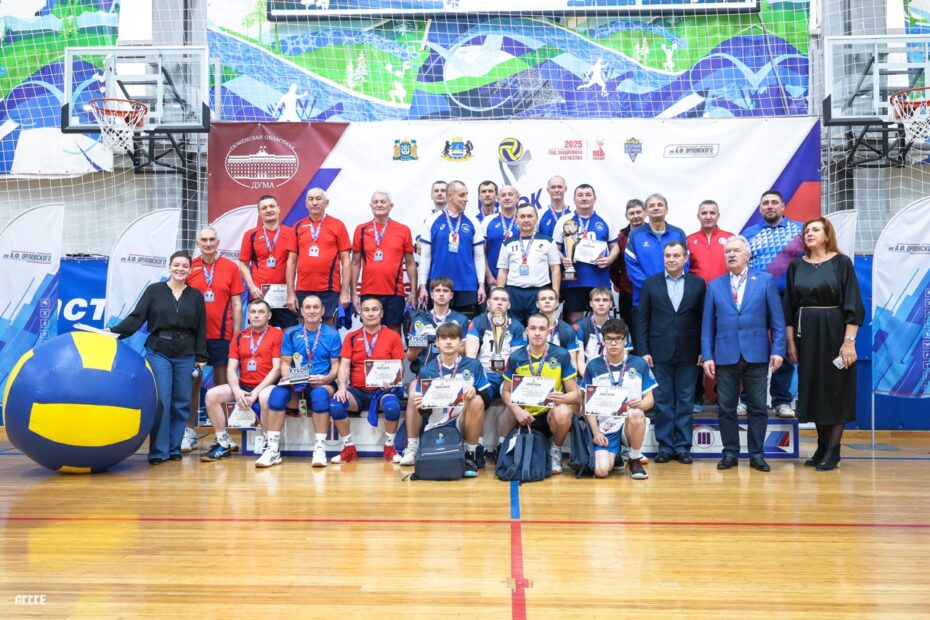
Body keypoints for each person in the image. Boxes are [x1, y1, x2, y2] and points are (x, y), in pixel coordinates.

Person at [109, 251, 207, 464]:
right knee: (162, 400)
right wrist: (114, 331)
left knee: (182, 402)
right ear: (169, 267)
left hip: (186, 353)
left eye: (185, 266)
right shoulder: (154, 291)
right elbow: (137, 317)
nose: (180, 269)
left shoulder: (196, 296)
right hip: (159, 351)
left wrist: (201, 356)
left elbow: (201, 327)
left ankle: (174, 448)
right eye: (176, 265)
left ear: (190, 270)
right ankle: (158, 451)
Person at [783, 217, 864, 471]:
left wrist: (848, 343)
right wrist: (790, 343)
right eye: (807, 230)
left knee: (835, 389)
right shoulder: (796, 265)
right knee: (814, 390)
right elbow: (789, 307)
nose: (809, 233)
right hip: (806, 336)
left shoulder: (842, 263)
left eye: (815, 229)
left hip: (835, 333)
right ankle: (821, 446)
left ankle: (833, 450)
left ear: (827, 235)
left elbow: (853, 304)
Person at [702, 236, 786, 472]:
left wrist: (778, 350)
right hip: (725, 354)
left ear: (748, 255)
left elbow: (778, 322)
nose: (731, 254)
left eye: (736, 250)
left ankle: (757, 455)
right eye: (727, 251)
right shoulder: (715, 285)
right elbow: (707, 326)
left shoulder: (765, 281)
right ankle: (730, 453)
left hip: (757, 354)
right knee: (726, 407)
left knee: (758, 407)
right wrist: (707, 355)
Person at [635, 241, 705, 464]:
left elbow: (703, 320)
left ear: (685, 258)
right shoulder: (650, 283)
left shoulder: (698, 284)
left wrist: (704, 350)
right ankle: (665, 447)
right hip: (658, 351)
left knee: (685, 401)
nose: (671, 259)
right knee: (663, 401)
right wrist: (643, 351)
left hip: (690, 351)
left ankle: (683, 447)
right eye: (667, 255)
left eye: (676, 255)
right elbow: (642, 319)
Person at [255, 295, 342, 468]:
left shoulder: (332, 333)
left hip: (322, 383)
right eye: (307, 307)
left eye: (316, 307)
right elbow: (285, 364)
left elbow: (335, 366)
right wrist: (290, 379)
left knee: (319, 395)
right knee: (277, 395)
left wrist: (326, 379)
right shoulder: (291, 333)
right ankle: (272, 450)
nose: (312, 311)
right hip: (297, 385)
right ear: (301, 311)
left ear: (323, 311)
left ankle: (319, 449)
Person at [742, 189, 805, 418]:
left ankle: (781, 400)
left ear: (783, 206)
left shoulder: (800, 230)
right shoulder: (749, 234)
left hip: (789, 297)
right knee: (753, 347)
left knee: (785, 347)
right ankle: (747, 399)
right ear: (760, 209)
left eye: (774, 202)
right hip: (756, 296)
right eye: (765, 203)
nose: (769, 206)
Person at [399, 322, 492, 474]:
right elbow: (425, 413)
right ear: (437, 342)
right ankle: (413, 447)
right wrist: (422, 406)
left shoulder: (474, 365)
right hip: (437, 424)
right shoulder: (427, 370)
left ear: (460, 342)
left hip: (463, 422)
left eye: (453, 338)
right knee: (414, 396)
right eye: (443, 338)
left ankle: (470, 455)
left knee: (477, 400)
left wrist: (475, 390)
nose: (448, 342)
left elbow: (487, 398)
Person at [183, 226, 243, 453]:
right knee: (193, 383)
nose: (208, 243)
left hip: (222, 335)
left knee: (222, 386)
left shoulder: (230, 267)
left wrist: (236, 336)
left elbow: (237, 304)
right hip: (194, 337)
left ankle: (222, 435)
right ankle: (188, 432)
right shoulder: (190, 267)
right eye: (204, 240)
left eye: (212, 240)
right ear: (197, 243)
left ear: (218, 242)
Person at [201, 300, 283, 462]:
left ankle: (269, 445)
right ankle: (223, 444)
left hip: (266, 386)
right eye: (253, 312)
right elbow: (231, 369)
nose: (256, 315)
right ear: (248, 315)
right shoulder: (239, 336)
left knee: (266, 396)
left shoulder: (277, 334)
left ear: (269, 315)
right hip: (244, 385)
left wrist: (256, 392)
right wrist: (237, 390)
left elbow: (276, 369)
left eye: (261, 312)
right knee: (212, 395)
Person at [500, 313, 581, 474]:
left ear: (549, 331)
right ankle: (503, 449)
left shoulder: (561, 355)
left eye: (542, 329)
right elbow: (506, 392)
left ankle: (555, 450)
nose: (537, 333)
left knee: (563, 411)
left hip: (549, 413)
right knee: (510, 408)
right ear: (526, 331)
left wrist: (562, 398)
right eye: (533, 328)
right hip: (525, 414)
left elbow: (576, 394)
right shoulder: (516, 357)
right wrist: (517, 410)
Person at [330, 298, 406, 463]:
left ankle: (389, 447)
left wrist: (392, 381)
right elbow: (344, 366)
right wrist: (341, 386)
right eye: (366, 310)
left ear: (381, 313)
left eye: (374, 309)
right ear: (361, 314)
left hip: (383, 391)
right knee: (336, 405)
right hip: (357, 391)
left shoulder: (393, 336)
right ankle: (348, 448)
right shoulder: (351, 337)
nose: (370, 313)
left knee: (392, 407)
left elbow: (400, 366)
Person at [583, 319, 654, 480]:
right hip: (606, 427)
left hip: (629, 424)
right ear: (603, 340)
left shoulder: (639, 364)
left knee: (636, 413)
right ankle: (616, 455)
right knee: (601, 471)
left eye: (618, 338)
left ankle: (634, 459)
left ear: (625, 340)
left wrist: (641, 404)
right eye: (609, 339)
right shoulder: (593, 366)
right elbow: (588, 405)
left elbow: (650, 400)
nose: (613, 343)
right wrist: (596, 432)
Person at [686, 200, 733, 412]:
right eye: (704, 213)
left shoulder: (729, 238)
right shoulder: (689, 240)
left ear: (718, 215)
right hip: (696, 300)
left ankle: (724, 395)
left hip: (724, 299)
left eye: (712, 212)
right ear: (698, 216)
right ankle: (697, 396)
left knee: (724, 346)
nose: (708, 216)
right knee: (696, 346)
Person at [349, 190, 417, 333]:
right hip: (369, 291)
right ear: (371, 206)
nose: (379, 205)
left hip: (395, 292)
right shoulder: (361, 229)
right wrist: (353, 293)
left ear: (391, 206)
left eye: (383, 202)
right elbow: (355, 264)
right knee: (370, 330)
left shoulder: (403, 230)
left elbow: (410, 263)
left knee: (394, 331)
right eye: (375, 202)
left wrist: (413, 292)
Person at [418, 180, 486, 317]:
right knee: (439, 327)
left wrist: (481, 285)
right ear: (449, 196)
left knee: (465, 327)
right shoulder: (432, 220)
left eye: (466, 195)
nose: (466, 199)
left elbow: (479, 257)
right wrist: (423, 286)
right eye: (462, 195)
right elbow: (425, 256)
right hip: (439, 286)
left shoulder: (473, 221)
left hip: (467, 286)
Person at [553, 184, 620, 323]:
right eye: (580, 195)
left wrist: (609, 259)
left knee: (601, 317)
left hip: (599, 279)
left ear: (595, 198)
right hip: (573, 280)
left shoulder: (605, 219)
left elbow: (615, 247)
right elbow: (555, 248)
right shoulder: (564, 220)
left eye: (588, 195)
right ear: (574, 199)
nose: (584, 198)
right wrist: (564, 259)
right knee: (574, 320)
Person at [288, 188, 352, 325]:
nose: (314, 202)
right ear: (306, 203)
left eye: (318, 199)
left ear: (326, 202)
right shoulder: (298, 226)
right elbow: (291, 262)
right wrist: (291, 293)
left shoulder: (338, 225)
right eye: (311, 199)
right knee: (304, 326)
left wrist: (345, 292)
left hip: (330, 288)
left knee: (329, 327)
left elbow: (346, 261)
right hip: (303, 288)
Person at [239, 195, 298, 329]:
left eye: (272, 206)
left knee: (288, 335)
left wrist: (292, 291)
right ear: (259, 213)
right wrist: (252, 287)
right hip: (260, 294)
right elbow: (243, 264)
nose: (268, 210)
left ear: (278, 209)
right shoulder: (251, 235)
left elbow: (296, 263)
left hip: (285, 295)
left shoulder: (291, 233)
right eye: (264, 208)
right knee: (260, 333)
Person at [496, 203, 561, 323]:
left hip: (540, 291)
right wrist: (499, 295)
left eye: (530, 216)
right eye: (522, 216)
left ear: (536, 218)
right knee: (513, 328)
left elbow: (555, 270)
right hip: (514, 293)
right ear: (516, 220)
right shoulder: (507, 243)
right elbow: (502, 271)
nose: (526, 220)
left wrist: (555, 295)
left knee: (539, 327)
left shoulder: (548, 241)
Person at [625, 193, 688, 309]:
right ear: (646, 211)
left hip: (674, 298)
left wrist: (671, 287)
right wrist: (652, 288)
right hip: (644, 299)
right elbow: (632, 268)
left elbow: (685, 264)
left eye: (660, 204)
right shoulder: (635, 235)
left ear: (666, 209)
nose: (656, 208)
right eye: (652, 205)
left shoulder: (678, 233)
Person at [465, 287, 527, 401]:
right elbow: (470, 357)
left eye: (503, 300)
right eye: (496, 299)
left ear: (509, 305)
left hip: (507, 375)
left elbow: (518, 361)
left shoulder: (516, 326)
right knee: (475, 399)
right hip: (484, 374)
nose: (499, 302)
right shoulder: (478, 322)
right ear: (488, 303)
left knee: (518, 398)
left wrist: (505, 370)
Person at [406, 277, 469, 374]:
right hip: (425, 371)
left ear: (451, 295)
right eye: (438, 290)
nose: (441, 294)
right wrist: (417, 348)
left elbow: (464, 351)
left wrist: (432, 341)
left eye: (445, 291)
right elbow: (410, 357)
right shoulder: (419, 319)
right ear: (431, 295)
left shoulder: (462, 319)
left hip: (454, 372)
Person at [609, 199, 645, 327]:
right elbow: (613, 266)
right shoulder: (620, 237)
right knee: (628, 328)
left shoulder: (654, 233)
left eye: (638, 212)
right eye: (632, 213)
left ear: (645, 213)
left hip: (651, 290)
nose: (635, 216)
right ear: (626, 216)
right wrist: (622, 284)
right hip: (628, 291)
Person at [536, 286, 581, 372]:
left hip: (560, 374)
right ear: (537, 304)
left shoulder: (567, 330)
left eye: (551, 299)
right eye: (543, 299)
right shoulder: (530, 329)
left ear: (557, 303)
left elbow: (572, 364)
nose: (547, 301)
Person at [482, 184, 518, 290]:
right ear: (498, 198)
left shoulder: (524, 220)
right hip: (493, 280)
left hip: (519, 280)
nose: (507, 198)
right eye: (503, 195)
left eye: (510, 194)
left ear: (517, 197)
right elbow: (481, 252)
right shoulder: (488, 221)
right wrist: (489, 276)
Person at [573, 286, 614, 376]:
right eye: (597, 300)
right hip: (587, 374)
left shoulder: (620, 326)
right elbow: (580, 361)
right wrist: (590, 379)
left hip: (612, 375)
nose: (601, 304)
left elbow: (623, 358)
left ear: (611, 304)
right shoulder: (580, 326)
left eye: (605, 300)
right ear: (591, 303)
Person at [415, 180, 447, 257]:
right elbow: (420, 248)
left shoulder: (458, 217)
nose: (439, 193)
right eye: (436, 191)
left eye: (443, 191)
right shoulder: (424, 218)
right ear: (431, 195)